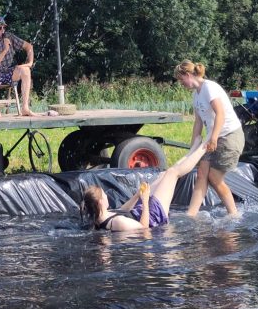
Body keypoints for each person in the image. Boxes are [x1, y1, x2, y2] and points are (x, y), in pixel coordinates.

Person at [80, 140, 212, 232]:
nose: (107, 197)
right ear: (100, 203)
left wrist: (138, 195)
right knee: (172, 174)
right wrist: (145, 202)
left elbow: (123, 209)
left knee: (164, 174)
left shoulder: (100, 216)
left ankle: (193, 149)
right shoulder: (117, 222)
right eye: (105, 196)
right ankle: (205, 145)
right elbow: (143, 228)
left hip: (141, 210)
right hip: (153, 218)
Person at [174, 59, 245, 217]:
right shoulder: (196, 95)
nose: (181, 83)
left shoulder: (209, 88)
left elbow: (221, 113)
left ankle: (234, 214)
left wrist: (213, 138)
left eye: (181, 79)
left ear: (188, 74)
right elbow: (198, 123)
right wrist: (193, 149)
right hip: (212, 138)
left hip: (229, 136)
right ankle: (191, 214)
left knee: (214, 177)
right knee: (201, 173)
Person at [0, 14, 35, 118]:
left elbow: (29, 46)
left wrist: (30, 62)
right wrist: (5, 50)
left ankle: (25, 108)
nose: (3, 30)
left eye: (4, 27)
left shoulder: (9, 36)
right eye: (0, 28)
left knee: (26, 70)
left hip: (10, 73)